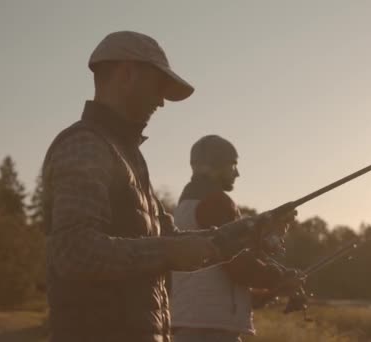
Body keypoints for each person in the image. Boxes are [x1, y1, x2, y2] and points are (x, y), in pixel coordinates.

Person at [41, 31, 294, 342]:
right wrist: (169, 250)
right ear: (127, 73)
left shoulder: (129, 156)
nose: (161, 101)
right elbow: (73, 251)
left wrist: (249, 231)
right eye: (158, 86)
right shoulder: (86, 146)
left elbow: (170, 239)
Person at [171, 135, 303, 342]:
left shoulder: (184, 207)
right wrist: (279, 278)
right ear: (214, 165)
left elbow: (220, 267)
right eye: (233, 165)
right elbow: (237, 263)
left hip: (192, 323)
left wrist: (265, 292)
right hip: (209, 329)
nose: (237, 173)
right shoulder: (216, 202)